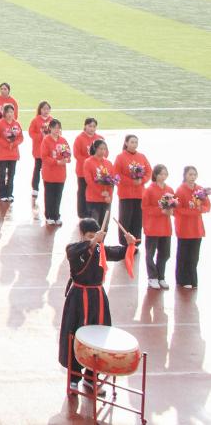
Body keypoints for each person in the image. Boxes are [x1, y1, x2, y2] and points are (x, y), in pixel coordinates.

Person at [59, 218, 136, 394]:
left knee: (99, 337)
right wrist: (93, 241)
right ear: (82, 235)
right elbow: (72, 252)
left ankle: (91, 378)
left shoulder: (101, 250)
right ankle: (74, 379)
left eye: (95, 235)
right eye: (89, 235)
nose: (93, 238)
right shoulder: (74, 249)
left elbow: (119, 252)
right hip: (78, 299)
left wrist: (130, 244)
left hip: (97, 298)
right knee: (76, 336)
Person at [142, 165, 175, 290]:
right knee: (150, 253)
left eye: (165, 174)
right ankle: (152, 277)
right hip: (152, 227)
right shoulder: (149, 190)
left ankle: (161, 277)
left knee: (165, 253)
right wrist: (160, 211)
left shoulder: (170, 189)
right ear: (155, 175)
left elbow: (174, 205)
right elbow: (145, 207)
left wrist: (171, 211)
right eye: (160, 174)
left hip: (165, 227)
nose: (163, 176)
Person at [113, 135, 150, 247]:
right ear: (126, 143)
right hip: (126, 194)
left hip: (139, 194)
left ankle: (136, 241)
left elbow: (149, 172)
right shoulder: (120, 157)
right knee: (125, 218)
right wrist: (131, 182)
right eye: (132, 142)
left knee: (138, 219)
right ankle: (124, 242)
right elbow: (116, 174)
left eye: (136, 142)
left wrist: (142, 180)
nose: (134, 144)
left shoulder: (142, 157)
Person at [174, 165, 207, 288]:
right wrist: (193, 211)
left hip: (197, 228)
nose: (192, 177)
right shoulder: (180, 190)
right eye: (190, 174)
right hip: (184, 228)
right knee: (183, 255)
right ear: (185, 176)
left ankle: (193, 280)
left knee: (194, 256)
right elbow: (177, 209)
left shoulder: (200, 190)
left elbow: (207, 206)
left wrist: (200, 208)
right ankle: (182, 280)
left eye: (194, 174)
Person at [40, 120, 71, 225]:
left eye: (58, 128)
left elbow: (68, 154)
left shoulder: (63, 140)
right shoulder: (46, 140)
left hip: (60, 174)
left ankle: (56, 215)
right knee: (49, 195)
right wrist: (57, 162)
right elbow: (44, 157)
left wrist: (66, 159)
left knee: (58, 196)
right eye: (54, 128)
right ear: (50, 128)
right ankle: (49, 216)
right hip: (49, 173)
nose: (57, 130)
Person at [73, 118, 102, 219]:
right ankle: (82, 213)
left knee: (94, 191)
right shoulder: (79, 138)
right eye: (90, 126)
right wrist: (89, 162)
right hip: (82, 171)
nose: (92, 128)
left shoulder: (99, 138)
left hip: (96, 172)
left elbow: (105, 153)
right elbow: (77, 154)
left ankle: (92, 212)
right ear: (85, 126)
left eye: (94, 126)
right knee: (82, 191)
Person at [0, 105, 22, 202]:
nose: (10, 114)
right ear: (4, 113)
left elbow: (21, 137)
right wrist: (6, 144)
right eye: (8, 112)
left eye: (11, 112)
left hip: (13, 154)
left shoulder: (16, 124)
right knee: (2, 174)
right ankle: (2, 193)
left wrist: (14, 143)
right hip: (2, 154)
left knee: (11, 174)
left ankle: (10, 193)